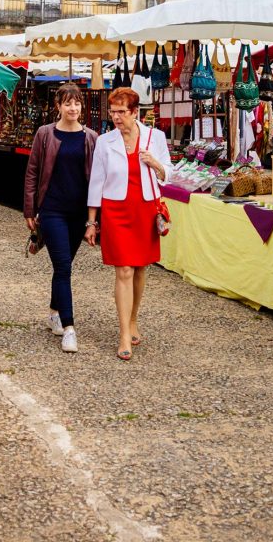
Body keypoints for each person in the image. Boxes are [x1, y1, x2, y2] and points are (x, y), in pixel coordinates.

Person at [86, 87, 172, 361]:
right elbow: (96, 181)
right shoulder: (104, 141)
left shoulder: (154, 137)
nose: (116, 117)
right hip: (116, 210)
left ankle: (133, 318)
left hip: (145, 208)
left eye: (122, 112)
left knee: (139, 268)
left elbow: (168, 174)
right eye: (113, 112)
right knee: (122, 269)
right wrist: (91, 221)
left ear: (135, 112)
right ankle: (124, 332)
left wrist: (155, 163)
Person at [23, 83, 98, 354]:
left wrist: (93, 218)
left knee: (63, 267)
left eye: (77, 103)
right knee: (64, 266)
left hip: (78, 213)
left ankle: (54, 311)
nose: (73, 108)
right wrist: (30, 209)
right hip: (52, 210)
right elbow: (32, 172)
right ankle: (69, 328)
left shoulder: (91, 137)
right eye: (67, 103)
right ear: (58, 106)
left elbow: (97, 178)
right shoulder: (45, 134)